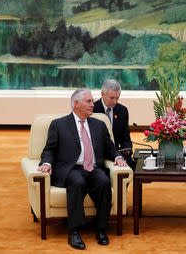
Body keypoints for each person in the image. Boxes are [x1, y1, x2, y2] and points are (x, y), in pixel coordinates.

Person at [37, 88, 127, 250]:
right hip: (71, 168)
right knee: (77, 182)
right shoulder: (59, 124)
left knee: (104, 182)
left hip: (93, 167)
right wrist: (47, 163)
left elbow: (110, 148)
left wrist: (118, 157)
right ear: (76, 104)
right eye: (89, 101)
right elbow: (49, 149)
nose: (93, 105)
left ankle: (101, 229)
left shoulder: (99, 125)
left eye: (92, 101)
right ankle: (74, 231)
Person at [93, 80, 136, 170]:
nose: (115, 101)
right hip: (98, 154)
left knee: (132, 166)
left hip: (117, 153)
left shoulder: (122, 110)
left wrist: (126, 151)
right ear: (102, 94)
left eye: (117, 98)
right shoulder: (92, 110)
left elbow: (125, 137)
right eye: (112, 98)